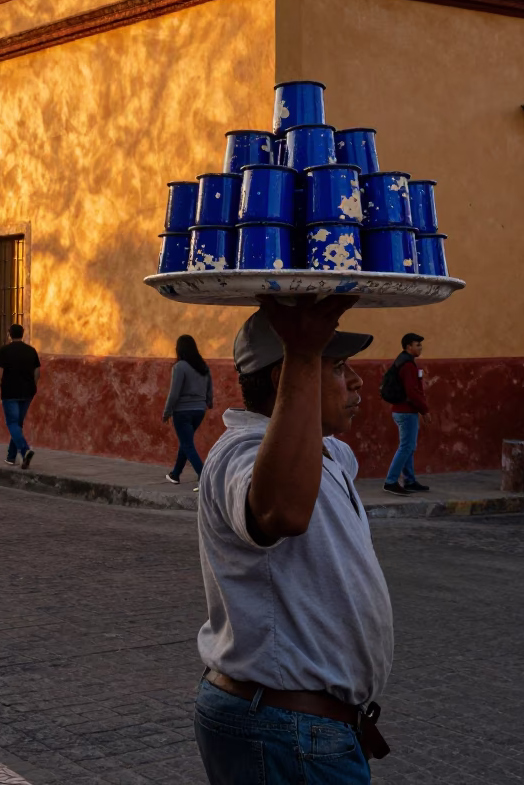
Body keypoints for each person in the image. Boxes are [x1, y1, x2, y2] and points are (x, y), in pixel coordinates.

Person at [195, 298, 392, 784]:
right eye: (337, 366)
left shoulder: (332, 455)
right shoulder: (238, 454)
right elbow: (279, 511)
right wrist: (304, 353)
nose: (356, 381)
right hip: (286, 731)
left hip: (310, 731)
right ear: (289, 376)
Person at [381, 332, 430, 495]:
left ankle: (409, 481)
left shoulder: (402, 361)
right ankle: (391, 481)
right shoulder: (408, 365)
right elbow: (413, 392)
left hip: (401, 411)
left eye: (420, 345)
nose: (420, 348)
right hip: (406, 412)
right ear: (408, 347)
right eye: (417, 345)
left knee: (408, 447)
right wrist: (425, 410)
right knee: (406, 447)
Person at [162, 334, 213, 490]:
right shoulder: (204, 366)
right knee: (186, 443)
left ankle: (205, 479)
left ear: (179, 349)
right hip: (199, 410)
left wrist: (167, 412)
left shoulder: (180, 367)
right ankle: (175, 474)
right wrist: (209, 403)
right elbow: (209, 388)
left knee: (187, 445)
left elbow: (174, 393)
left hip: (183, 412)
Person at [0, 323, 40, 469]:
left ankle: (25, 450)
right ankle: (11, 457)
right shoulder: (31, 351)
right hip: (27, 392)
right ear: (23, 334)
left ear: (9, 334)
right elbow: (37, 372)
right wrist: (34, 386)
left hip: (10, 392)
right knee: (17, 424)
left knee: (12, 423)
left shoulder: (5, 351)